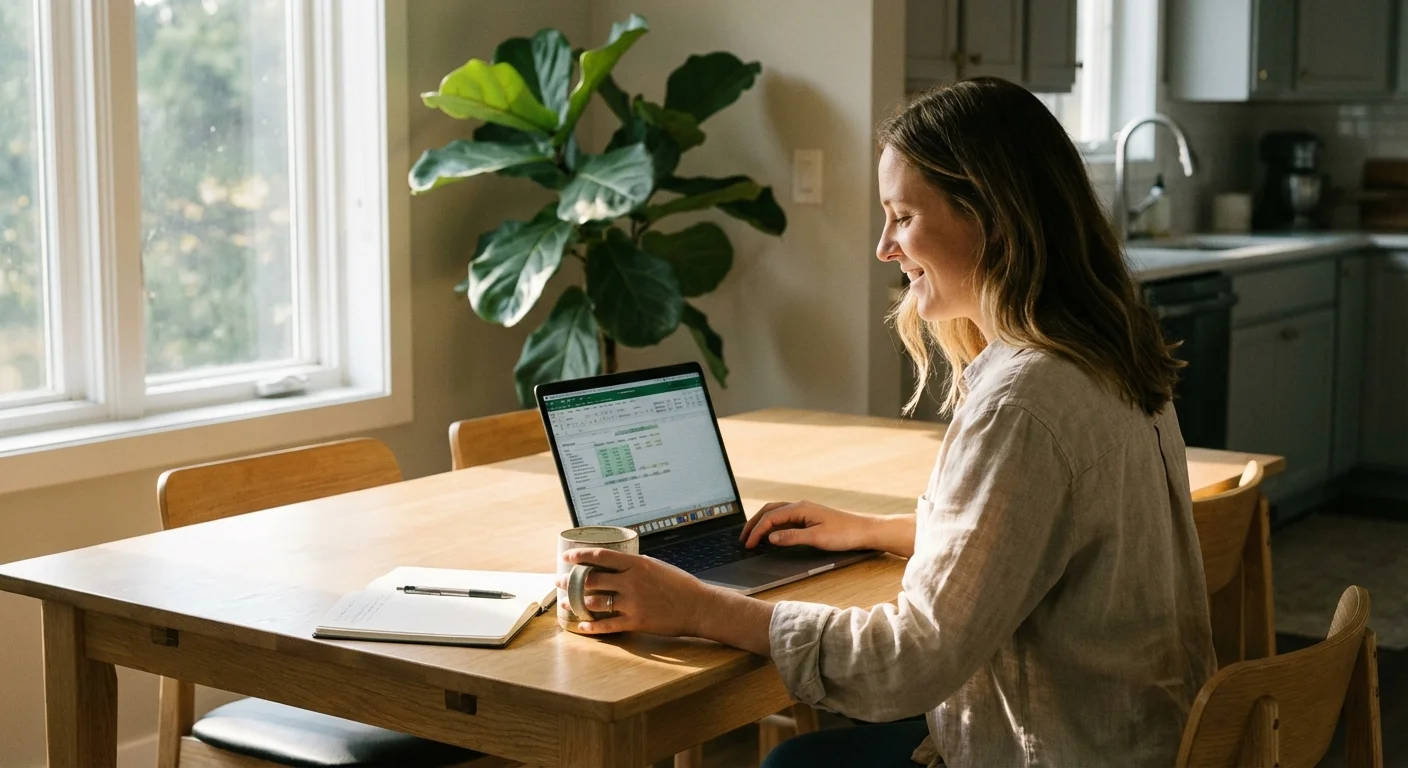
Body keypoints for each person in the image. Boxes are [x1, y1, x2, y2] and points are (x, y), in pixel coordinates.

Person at [559, 77, 1216, 767]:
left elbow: (909, 663)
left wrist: (698, 608)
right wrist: (877, 532)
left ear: (991, 218)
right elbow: (1049, 535)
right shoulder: (1103, 351)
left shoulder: (1024, 401)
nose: (884, 247)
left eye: (902, 216)